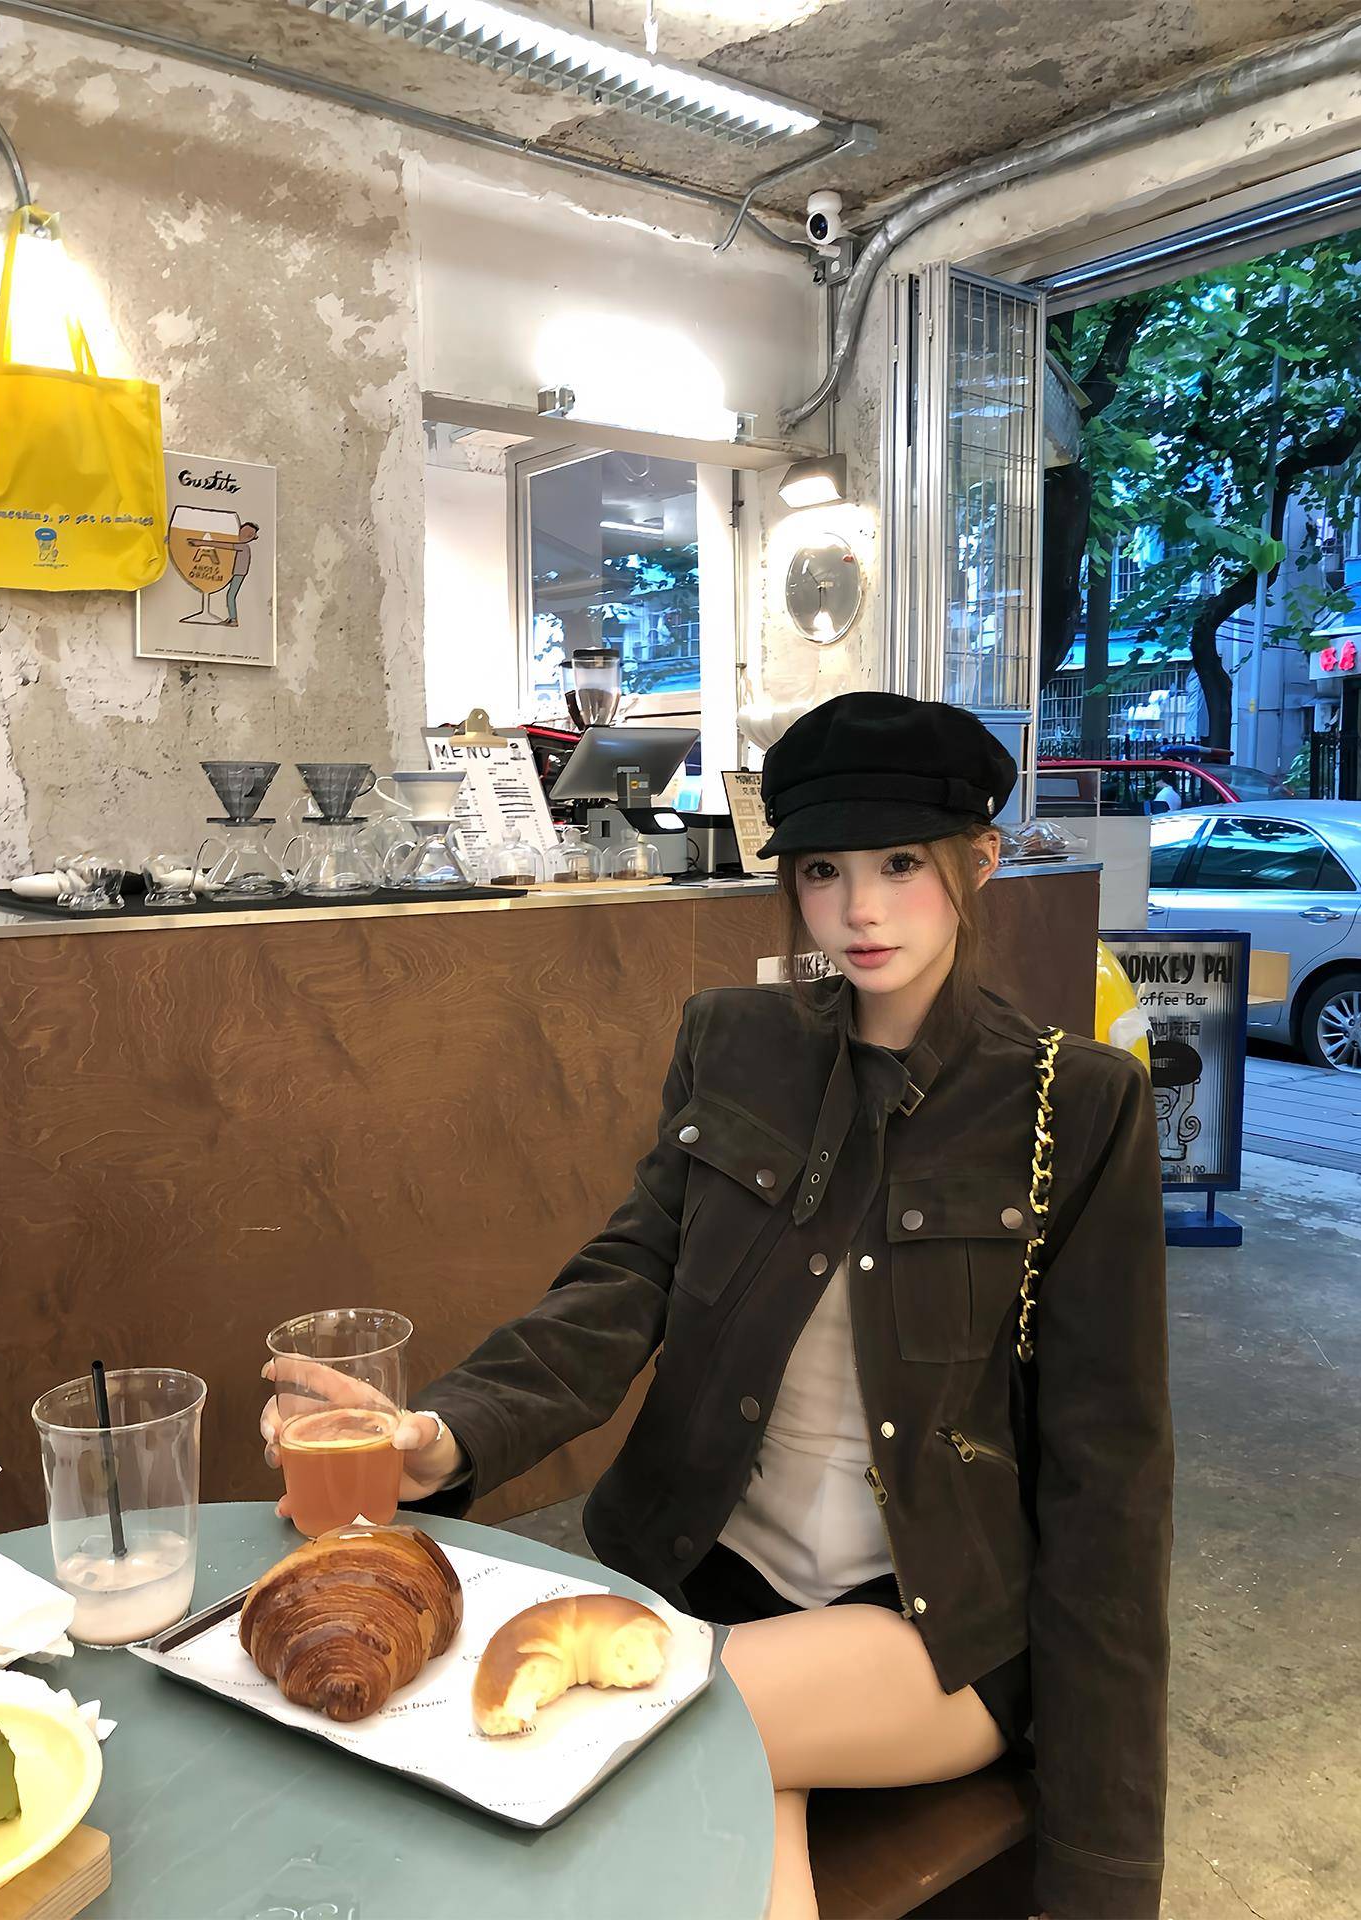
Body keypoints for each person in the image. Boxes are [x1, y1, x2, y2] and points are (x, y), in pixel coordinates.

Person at [261, 692, 1173, 1918]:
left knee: (588, 1738)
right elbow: (626, 1276)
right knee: (743, 1825)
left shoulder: (1079, 1104)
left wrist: (1102, 1877)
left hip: (929, 1626)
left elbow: (1111, 1477)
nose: (859, 909)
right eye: (824, 871)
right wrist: (449, 1432)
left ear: (979, 861)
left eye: (902, 865)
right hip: (708, 1581)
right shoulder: (735, 1040)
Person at [223, 521, 259, 626]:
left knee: (231, 595)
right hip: (236, 572)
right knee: (230, 594)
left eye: (249, 535)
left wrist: (202, 543)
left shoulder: (243, 546)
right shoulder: (242, 546)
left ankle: (233, 619)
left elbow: (225, 545)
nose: (244, 536)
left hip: (239, 573)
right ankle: (231, 617)